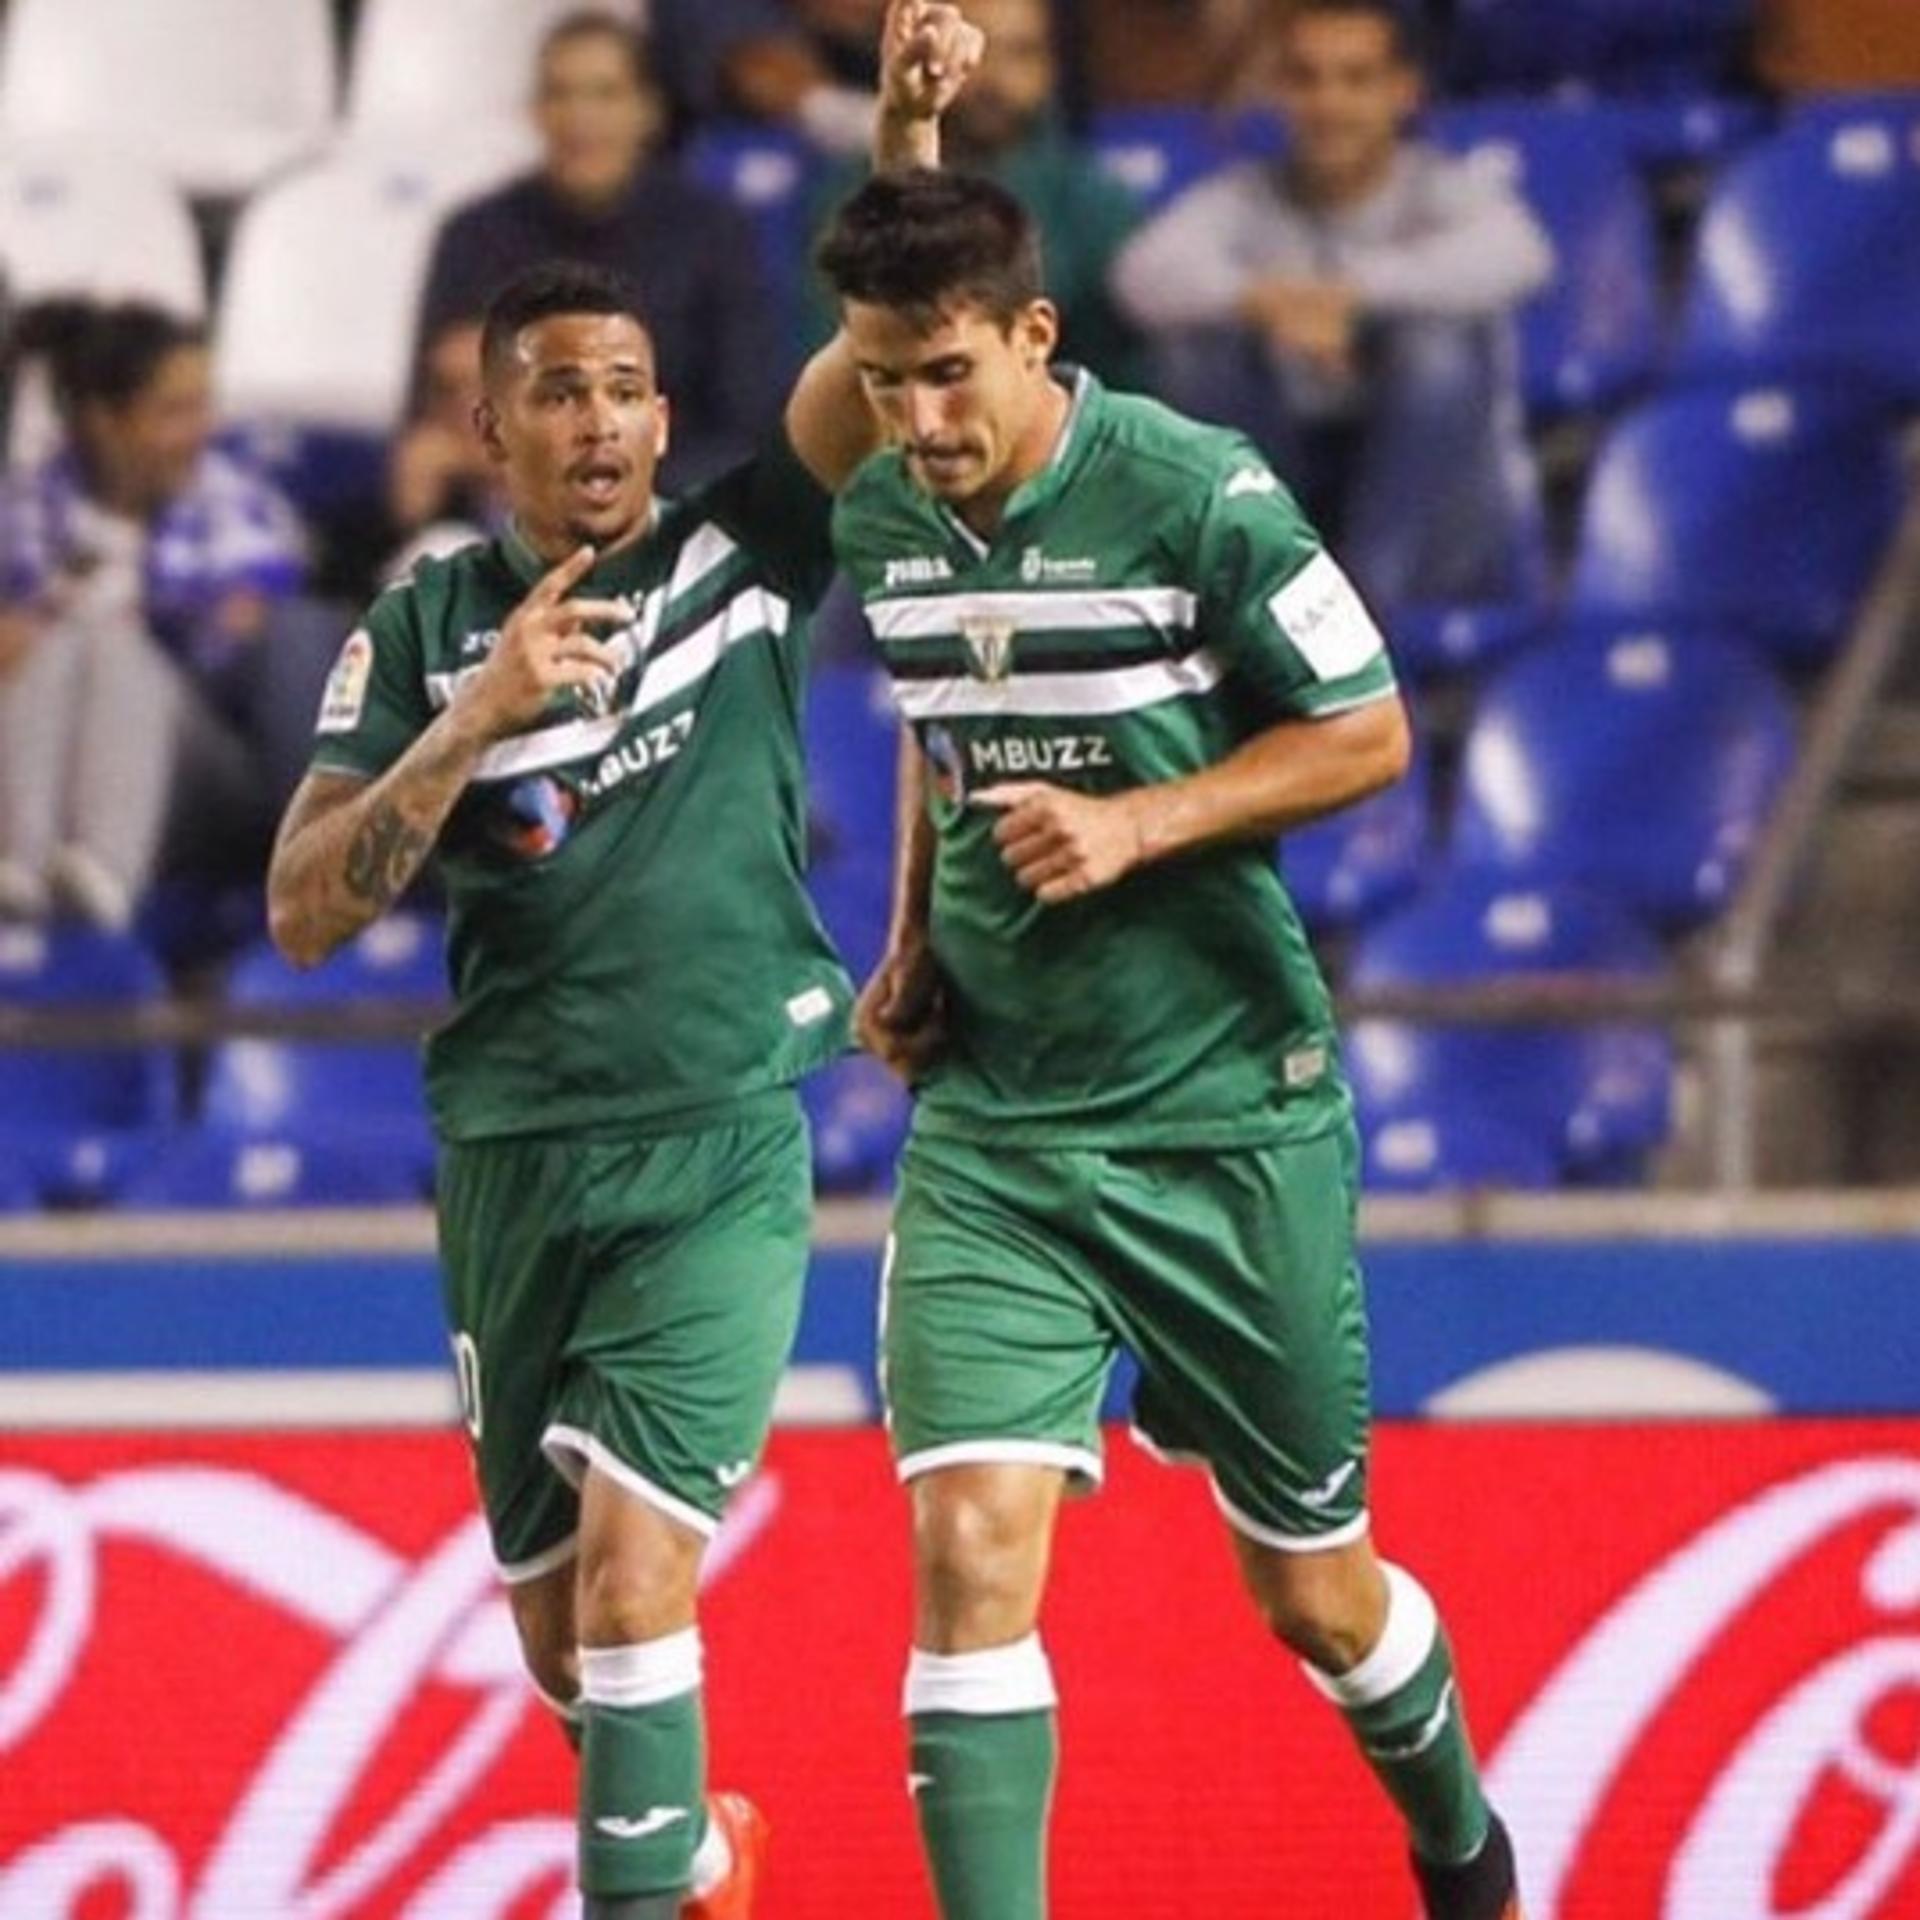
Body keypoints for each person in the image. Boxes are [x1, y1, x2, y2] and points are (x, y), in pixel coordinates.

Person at [265, 9, 982, 1917]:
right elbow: (307, 907)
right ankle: (700, 1861)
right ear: (489, 424)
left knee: (640, 1580)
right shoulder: (425, 621)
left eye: (628, 388)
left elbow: (879, 347)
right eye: (557, 390)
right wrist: (469, 721)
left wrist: (904, 125)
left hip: (719, 1140)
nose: (597, 419)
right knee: (569, 1646)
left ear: (667, 420)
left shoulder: (743, 556)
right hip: (512, 1154)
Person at [817, 166, 1523, 1919]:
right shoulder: (890, 521)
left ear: (1035, 337)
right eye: (886, 381)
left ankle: (1463, 1846)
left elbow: (1367, 733)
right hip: (1000, 1131)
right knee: (967, 1543)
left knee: (1315, 1599)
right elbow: (946, 728)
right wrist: (908, 947)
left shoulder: (1195, 492)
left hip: (1227, 1117)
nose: (918, 420)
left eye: (948, 374)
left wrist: (1149, 821)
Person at [1109, 0, 1552, 613]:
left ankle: (1358, 611)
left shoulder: (1441, 188)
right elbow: (1140, 275)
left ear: (1403, 90)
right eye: (1306, 79)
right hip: (1298, 482)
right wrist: (1265, 301)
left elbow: (1521, 254)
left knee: (1439, 351)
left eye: (1355, 80)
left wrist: (1349, 294)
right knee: (1198, 358)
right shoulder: (1249, 194)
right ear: (1280, 91)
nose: (1329, 105)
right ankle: (1264, 584)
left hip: (1436, 530)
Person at [0, 300, 310, 928]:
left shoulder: (233, 505)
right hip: (47, 743)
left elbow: (240, 650)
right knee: (59, 646)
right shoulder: (27, 509)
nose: (200, 430)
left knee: (115, 645)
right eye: (173, 412)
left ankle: (106, 871)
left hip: (200, 771)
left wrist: (139, 617)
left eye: (202, 406)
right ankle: (21, 865)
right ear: (103, 422)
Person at [415, 8, 785, 491]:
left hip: (671, 517)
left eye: (605, 94)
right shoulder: (474, 237)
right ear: (535, 112)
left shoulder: (714, 235)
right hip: (503, 522)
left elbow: (747, 427)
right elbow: (428, 424)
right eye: (559, 93)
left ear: (649, 111)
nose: (580, 117)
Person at [807, 0, 1146, 386]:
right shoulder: (854, 194)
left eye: (1022, 53)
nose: (996, 81)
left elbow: (1123, 378)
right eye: (973, 52)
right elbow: (834, 364)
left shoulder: (1089, 196)